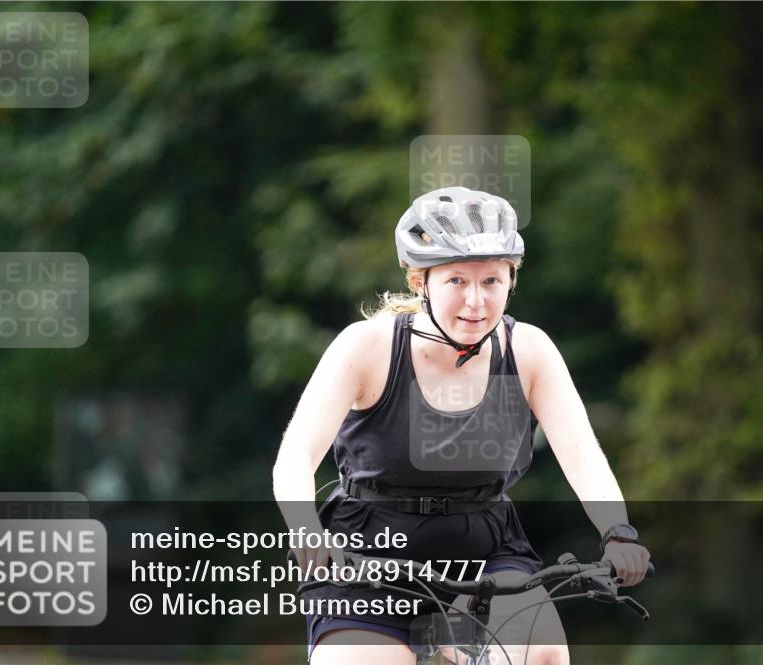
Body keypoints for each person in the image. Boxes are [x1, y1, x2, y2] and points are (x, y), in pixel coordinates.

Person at [273, 186, 651, 665]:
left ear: (511, 281)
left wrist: (617, 531)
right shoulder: (366, 348)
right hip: (368, 555)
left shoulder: (529, 351)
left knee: (543, 654)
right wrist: (305, 528)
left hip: (485, 548)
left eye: (492, 281)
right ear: (419, 281)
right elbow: (296, 454)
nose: (476, 302)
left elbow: (581, 455)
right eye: (456, 281)